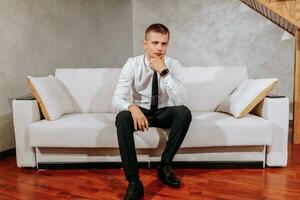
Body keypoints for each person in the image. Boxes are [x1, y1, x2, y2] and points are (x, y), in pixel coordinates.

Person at [112, 23, 192, 200]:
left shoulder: (173, 65)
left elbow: (181, 101)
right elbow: (116, 99)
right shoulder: (132, 64)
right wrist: (132, 107)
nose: (159, 48)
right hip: (141, 112)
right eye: (155, 43)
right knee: (122, 117)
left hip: (164, 112)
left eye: (164, 44)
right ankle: (134, 182)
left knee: (184, 113)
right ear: (145, 44)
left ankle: (165, 166)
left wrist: (164, 72)